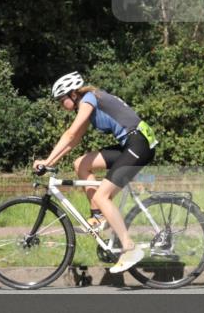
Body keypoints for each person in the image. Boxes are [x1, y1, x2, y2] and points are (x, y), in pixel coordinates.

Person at [33, 71, 158, 273]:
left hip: (139, 143)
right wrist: (50, 163)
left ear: (73, 94)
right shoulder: (88, 105)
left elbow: (70, 133)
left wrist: (46, 161)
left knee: (102, 195)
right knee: (81, 164)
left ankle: (129, 247)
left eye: (60, 100)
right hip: (132, 144)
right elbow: (73, 141)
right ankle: (98, 217)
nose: (59, 105)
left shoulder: (89, 100)